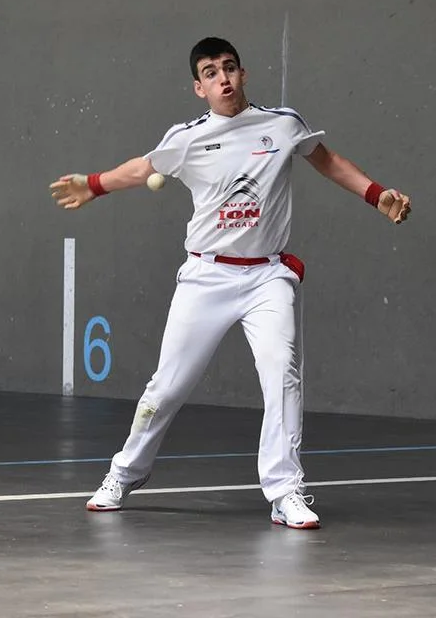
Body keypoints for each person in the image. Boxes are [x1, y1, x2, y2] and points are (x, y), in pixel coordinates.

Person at [50, 37, 411, 529]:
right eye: (211, 72)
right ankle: (124, 473)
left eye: (229, 68)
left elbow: (327, 160)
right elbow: (142, 169)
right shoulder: (186, 138)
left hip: (267, 276)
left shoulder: (283, 124)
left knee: (282, 375)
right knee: (166, 388)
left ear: (243, 74)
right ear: (198, 88)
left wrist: (376, 194)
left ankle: (285, 491)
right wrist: (93, 185)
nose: (223, 78)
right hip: (206, 276)